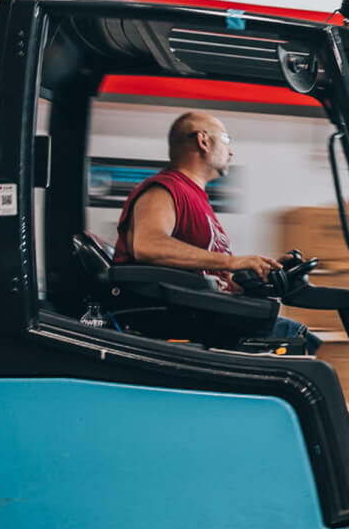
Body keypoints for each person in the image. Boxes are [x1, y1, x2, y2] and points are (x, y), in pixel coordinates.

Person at [114, 112, 318, 353]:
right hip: (189, 323)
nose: (231, 152)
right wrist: (233, 262)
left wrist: (258, 273)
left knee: (295, 334)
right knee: (299, 339)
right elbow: (149, 245)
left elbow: (209, 274)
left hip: (208, 314)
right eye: (227, 140)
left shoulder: (196, 198)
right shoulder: (165, 189)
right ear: (204, 141)